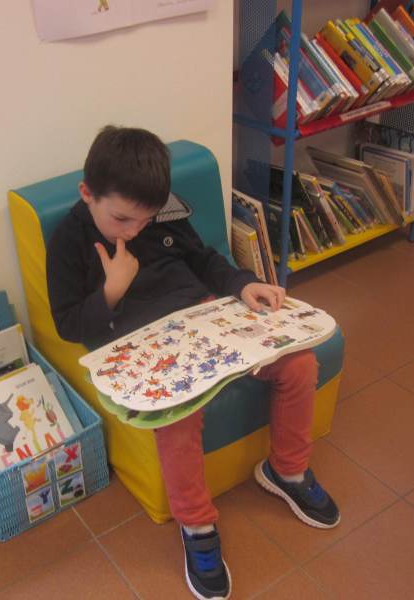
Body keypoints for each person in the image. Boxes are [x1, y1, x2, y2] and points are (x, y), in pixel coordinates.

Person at [46, 126, 339, 600]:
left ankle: (286, 471)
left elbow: (204, 259)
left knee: (299, 365)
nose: (134, 231)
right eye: (121, 219)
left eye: (144, 220)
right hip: (143, 345)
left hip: (206, 318)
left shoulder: (164, 212)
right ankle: (197, 526)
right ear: (87, 193)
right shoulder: (69, 240)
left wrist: (242, 284)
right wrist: (112, 290)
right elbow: (68, 324)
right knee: (177, 415)